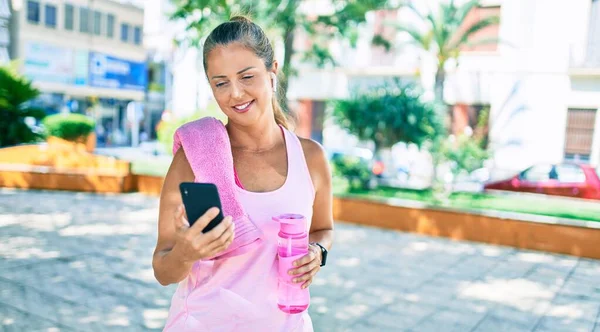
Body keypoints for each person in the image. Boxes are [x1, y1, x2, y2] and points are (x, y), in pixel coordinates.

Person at [152, 16, 334, 331]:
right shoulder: (193, 158)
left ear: (272, 71)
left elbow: (323, 229)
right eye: (221, 82)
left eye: (247, 76)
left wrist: (317, 252)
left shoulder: (311, 158)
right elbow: (163, 270)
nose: (235, 93)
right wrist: (186, 253)